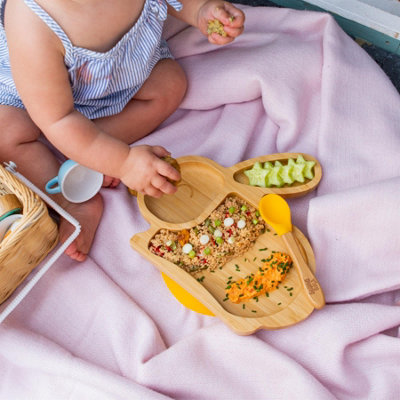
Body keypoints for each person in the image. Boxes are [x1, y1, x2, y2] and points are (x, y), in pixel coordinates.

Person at [0, 0, 245, 261]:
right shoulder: (31, 22)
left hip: (122, 76)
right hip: (42, 101)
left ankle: (88, 157)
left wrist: (199, 11)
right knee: (6, 133)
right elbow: (58, 119)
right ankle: (72, 200)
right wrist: (124, 162)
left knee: (170, 85)